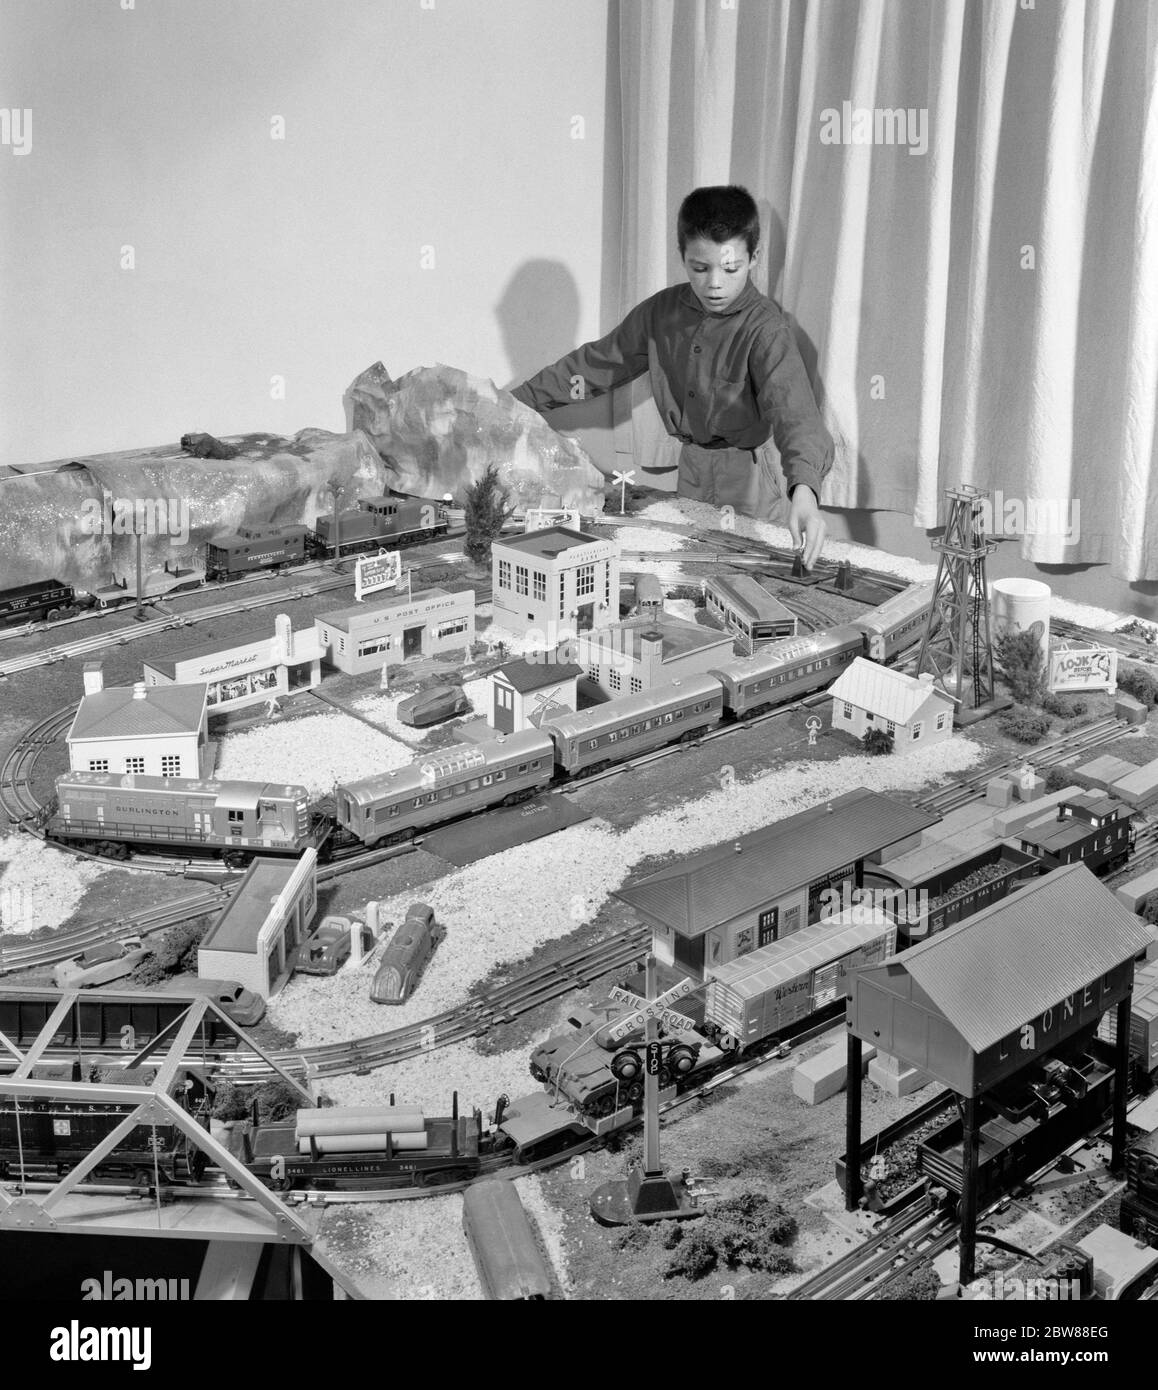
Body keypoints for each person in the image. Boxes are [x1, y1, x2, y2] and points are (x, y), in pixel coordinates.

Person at [510, 185, 833, 568]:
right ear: (682, 257)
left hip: (749, 474)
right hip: (692, 463)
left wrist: (805, 493)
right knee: (690, 564)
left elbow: (796, 415)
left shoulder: (766, 329)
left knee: (748, 572)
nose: (715, 283)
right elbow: (595, 366)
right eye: (700, 268)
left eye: (731, 269)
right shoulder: (661, 312)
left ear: (754, 258)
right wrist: (514, 404)